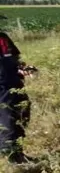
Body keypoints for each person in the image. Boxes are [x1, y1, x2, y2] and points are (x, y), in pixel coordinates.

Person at [0, 15, 35, 164]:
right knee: (8, 120)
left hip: (14, 83)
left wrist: (22, 68)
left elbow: (15, 59)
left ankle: (18, 153)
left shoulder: (3, 38)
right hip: (1, 87)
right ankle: (11, 160)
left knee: (22, 115)